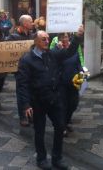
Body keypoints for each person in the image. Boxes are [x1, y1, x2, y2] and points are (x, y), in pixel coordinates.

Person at [16, 26, 84, 170]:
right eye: (43, 39)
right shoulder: (27, 60)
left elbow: (70, 51)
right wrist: (26, 105)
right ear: (35, 41)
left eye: (48, 38)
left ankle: (57, 158)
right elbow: (22, 84)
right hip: (38, 101)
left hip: (54, 99)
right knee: (39, 131)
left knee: (60, 127)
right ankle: (41, 159)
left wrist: (77, 37)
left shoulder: (52, 54)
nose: (47, 41)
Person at [50, 32, 83, 136]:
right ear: (59, 39)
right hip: (61, 84)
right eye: (63, 37)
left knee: (73, 104)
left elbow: (79, 65)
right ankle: (62, 126)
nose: (65, 39)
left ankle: (67, 120)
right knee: (62, 106)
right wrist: (58, 49)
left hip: (74, 83)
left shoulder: (74, 51)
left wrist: (81, 75)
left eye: (67, 37)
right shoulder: (56, 51)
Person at [7, 14, 34, 126]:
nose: (32, 23)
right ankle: (23, 116)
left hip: (32, 69)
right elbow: (5, 51)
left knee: (32, 92)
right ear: (24, 23)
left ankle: (30, 114)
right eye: (30, 21)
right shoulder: (13, 37)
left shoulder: (33, 35)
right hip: (20, 70)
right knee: (22, 92)